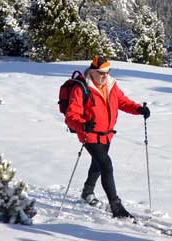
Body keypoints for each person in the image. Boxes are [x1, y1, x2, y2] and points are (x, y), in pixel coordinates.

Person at [64, 56, 149, 219]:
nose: (105, 76)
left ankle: (87, 192)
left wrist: (138, 109)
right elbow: (71, 116)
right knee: (106, 165)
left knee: (97, 164)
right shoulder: (81, 88)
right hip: (89, 135)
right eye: (101, 73)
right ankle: (116, 207)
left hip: (107, 134)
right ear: (92, 71)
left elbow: (122, 102)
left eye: (107, 72)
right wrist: (82, 125)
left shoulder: (111, 85)